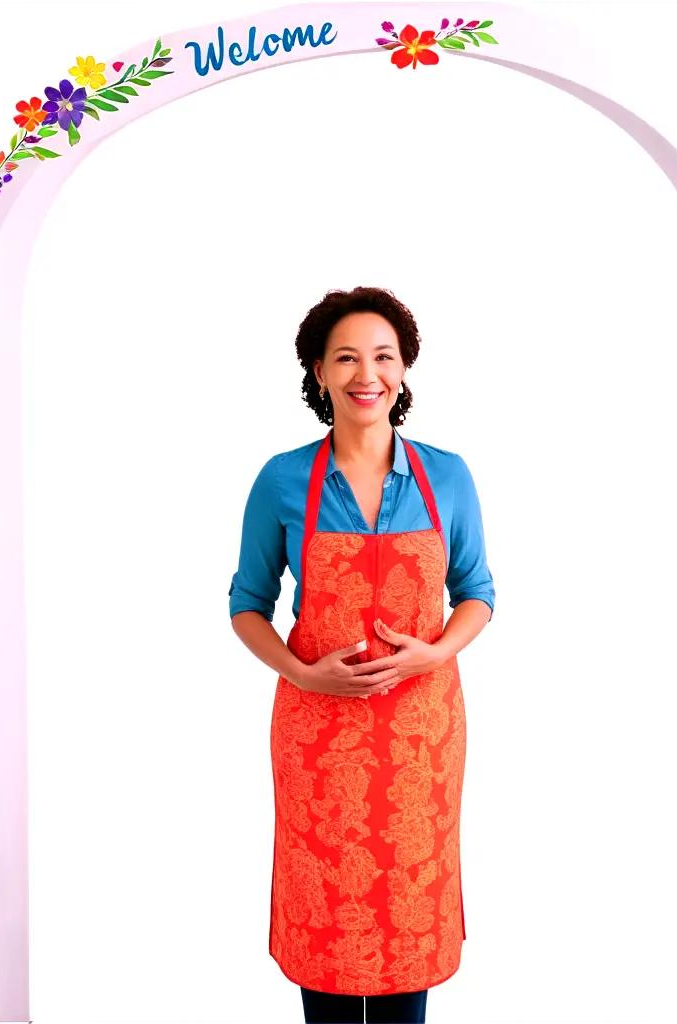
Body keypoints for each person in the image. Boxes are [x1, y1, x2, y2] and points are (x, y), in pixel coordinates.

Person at [228, 286, 495, 1023]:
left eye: (382, 356)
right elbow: (245, 604)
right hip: (317, 736)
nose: (364, 373)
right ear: (318, 372)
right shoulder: (283, 479)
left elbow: (478, 591)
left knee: (409, 915)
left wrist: (429, 654)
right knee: (329, 929)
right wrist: (302, 671)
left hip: (421, 737)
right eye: (344, 357)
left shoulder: (448, 475)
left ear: (404, 370)